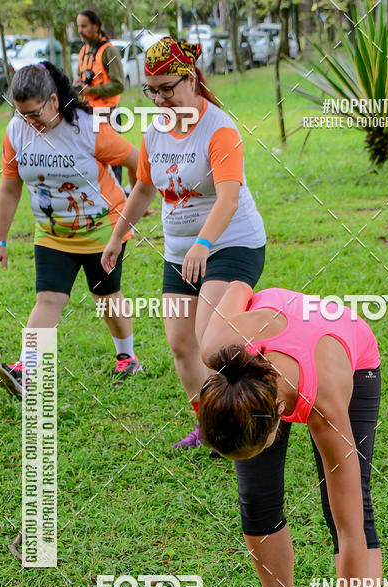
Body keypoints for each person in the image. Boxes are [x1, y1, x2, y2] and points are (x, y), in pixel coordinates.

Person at [197, 282, 388, 587]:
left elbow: (350, 530)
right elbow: (237, 286)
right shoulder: (218, 348)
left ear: (280, 419)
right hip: (270, 355)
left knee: (345, 507)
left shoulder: (326, 403)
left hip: (344, 345)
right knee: (256, 499)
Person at [101, 36, 266, 449]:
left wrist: (203, 243)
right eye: (150, 91)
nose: (159, 100)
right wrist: (118, 236)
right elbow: (141, 189)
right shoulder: (155, 132)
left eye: (166, 89)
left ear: (190, 78)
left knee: (212, 339)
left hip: (232, 244)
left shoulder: (220, 129)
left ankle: (254, 412)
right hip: (181, 253)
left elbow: (228, 197)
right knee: (181, 345)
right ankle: (210, 428)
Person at [0, 62, 141, 397]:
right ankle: (26, 369)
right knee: (49, 298)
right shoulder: (17, 131)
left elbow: (136, 161)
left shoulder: (88, 129)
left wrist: (133, 202)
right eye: (22, 114)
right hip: (52, 232)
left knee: (106, 298)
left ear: (54, 101)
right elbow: (10, 188)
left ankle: (127, 355)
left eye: (34, 113)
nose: (29, 122)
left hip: (103, 231)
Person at [74, 9, 126, 185]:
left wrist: (92, 91)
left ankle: (119, 198)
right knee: (91, 156)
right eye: (78, 26)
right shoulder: (83, 52)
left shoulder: (108, 51)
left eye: (84, 26)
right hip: (88, 113)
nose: (80, 30)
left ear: (96, 27)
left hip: (108, 114)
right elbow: (82, 79)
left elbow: (119, 84)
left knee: (113, 157)